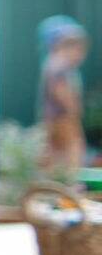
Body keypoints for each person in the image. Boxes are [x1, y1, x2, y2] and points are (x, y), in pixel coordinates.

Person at [37, 14, 89, 174]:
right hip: (62, 118)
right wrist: (73, 109)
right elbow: (60, 90)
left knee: (54, 153)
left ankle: (55, 183)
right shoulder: (59, 63)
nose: (79, 52)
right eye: (72, 45)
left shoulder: (55, 63)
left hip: (55, 118)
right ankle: (68, 183)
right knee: (72, 149)